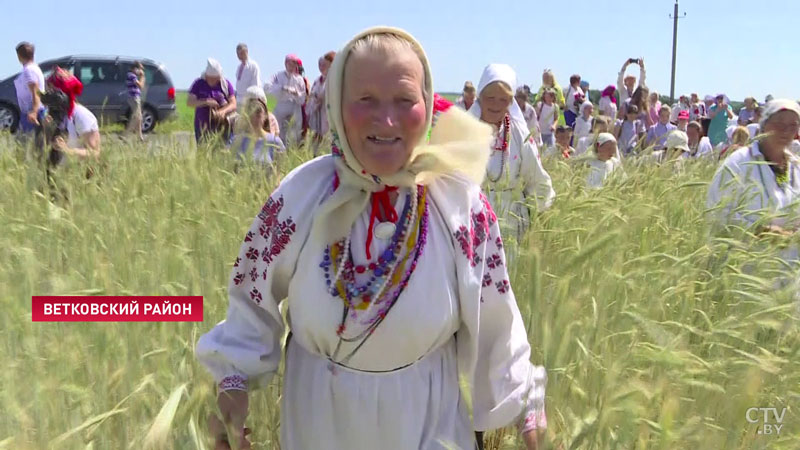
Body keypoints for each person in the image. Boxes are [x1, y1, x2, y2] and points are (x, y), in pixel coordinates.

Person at [197, 27, 548, 450]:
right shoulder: (301, 195)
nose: (386, 120)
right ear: (337, 106)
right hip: (321, 423)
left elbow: (497, 315)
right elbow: (251, 300)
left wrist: (527, 411)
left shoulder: (459, 203)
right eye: (366, 100)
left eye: (405, 101)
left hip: (429, 419)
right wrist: (231, 384)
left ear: (427, 104)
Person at [469, 63, 555, 239]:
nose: (496, 105)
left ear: (511, 102)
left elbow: (536, 177)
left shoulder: (518, 133)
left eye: (503, 100)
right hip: (471, 218)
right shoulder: (463, 132)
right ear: (480, 97)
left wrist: (543, 214)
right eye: (490, 98)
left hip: (510, 219)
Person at [707, 99, 800, 242]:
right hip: (745, 259)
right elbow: (717, 210)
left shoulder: (796, 167)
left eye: (793, 125)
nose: (786, 131)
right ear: (764, 125)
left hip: (790, 260)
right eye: (780, 124)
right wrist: (759, 231)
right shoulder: (739, 162)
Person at [45, 67, 101, 164]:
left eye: (52, 92)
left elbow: (95, 153)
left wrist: (68, 150)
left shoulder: (81, 115)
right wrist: (47, 129)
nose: (49, 96)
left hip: (78, 174)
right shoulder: (57, 115)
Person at [231, 86, 285, 166]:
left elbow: (280, 173)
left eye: (258, 111)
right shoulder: (236, 141)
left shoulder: (275, 142)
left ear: (265, 115)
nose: (254, 116)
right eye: (250, 110)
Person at [187, 58, 237, 143]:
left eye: (216, 78)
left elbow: (233, 104)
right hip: (202, 126)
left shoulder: (225, 84)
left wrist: (222, 111)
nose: (214, 81)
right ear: (206, 76)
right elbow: (190, 102)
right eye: (211, 79)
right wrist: (206, 102)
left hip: (223, 126)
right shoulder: (198, 83)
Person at [265, 54, 307, 145]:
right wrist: (282, 88)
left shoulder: (299, 80)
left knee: (293, 136)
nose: (292, 67)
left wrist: (296, 94)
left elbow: (302, 97)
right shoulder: (277, 76)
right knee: (279, 133)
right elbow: (267, 87)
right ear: (286, 63)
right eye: (291, 64)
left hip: (293, 109)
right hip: (280, 108)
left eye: (295, 65)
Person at [14, 42, 45, 144]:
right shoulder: (34, 68)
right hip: (30, 112)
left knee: (27, 144)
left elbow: (35, 92)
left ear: (19, 55)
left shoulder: (29, 70)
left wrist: (34, 112)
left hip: (32, 113)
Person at [308, 51, 336, 143]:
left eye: (324, 64)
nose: (321, 67)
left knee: (329, 136)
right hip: (318, 113)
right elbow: (312, 95)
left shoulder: (333, 78)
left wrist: (318, 96)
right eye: (319, 65)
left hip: (329, 111)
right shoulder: (317, 80)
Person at [234, 44, 262, 110]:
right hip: (239, 100)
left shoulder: (253, 65)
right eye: (238, 53)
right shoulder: (239, 67)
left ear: (246, 52)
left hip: (249, 100)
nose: (239, 55)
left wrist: (253, 100)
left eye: (241, 53)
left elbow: (256, 84)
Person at [125, 61, 145, 141]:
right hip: (134, 98)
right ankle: (126, 135)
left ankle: (140, 137)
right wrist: (142, 77)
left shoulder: (132, 76)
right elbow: (140, 86)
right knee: (137, 117)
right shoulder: (131, 75)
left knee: (139, 118)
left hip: (135, 97)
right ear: (135, 68)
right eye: (140, 69)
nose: (140, 71)